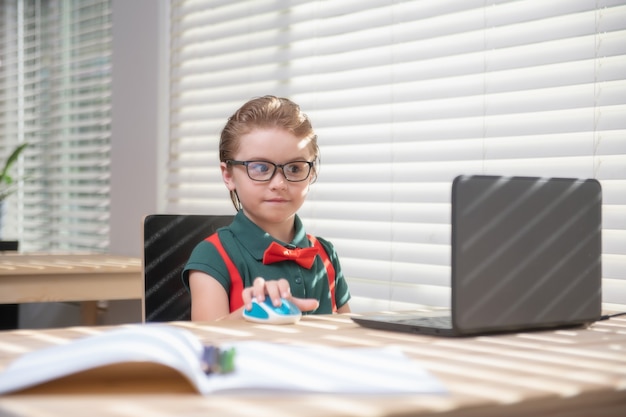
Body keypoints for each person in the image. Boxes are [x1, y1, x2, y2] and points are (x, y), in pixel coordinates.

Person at [182, 95, 351, 321]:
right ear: (228, 175)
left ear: (311, 172)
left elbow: (347, 336)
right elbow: (206, 347)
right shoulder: (212, 256)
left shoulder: (325, 253)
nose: (279, 184)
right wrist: (250, 315)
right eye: (260, 167)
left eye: (294, 168)